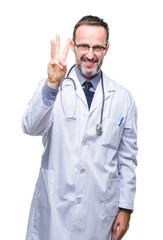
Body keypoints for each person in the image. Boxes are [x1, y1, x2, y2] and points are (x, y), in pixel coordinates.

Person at [22, 15, 138, 240]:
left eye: (98, 47)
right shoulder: (53, 86)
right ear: (73, 46)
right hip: (55, 207)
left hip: (99, 210)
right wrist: (52, 84)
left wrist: (125, 207)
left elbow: (127, 158)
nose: (90, 54)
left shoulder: (123, 98)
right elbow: (30, 126)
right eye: (84, 46)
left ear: (107, 49)